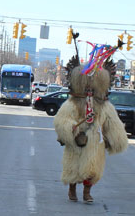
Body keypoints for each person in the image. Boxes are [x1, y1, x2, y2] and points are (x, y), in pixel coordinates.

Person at [54, 54, 128, 203]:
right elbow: (62, 120)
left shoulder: (104, 106)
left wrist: (114, 138)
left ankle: (87, 192)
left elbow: (112, 122)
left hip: (95, 142)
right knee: (73, 166)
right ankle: (72, 189)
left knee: (92, 168)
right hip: (76, 140)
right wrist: (71, 129)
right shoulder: (72, 103)